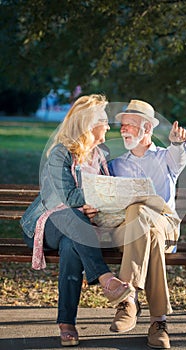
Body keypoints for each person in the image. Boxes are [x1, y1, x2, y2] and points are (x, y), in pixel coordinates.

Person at [20, 94, 134, 347]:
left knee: (73, 243)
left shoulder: (100, 156)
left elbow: (107, 194)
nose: (108, 125)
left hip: (77, 231)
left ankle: (67, 324)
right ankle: (106, 279)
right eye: (103, 120)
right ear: (88, 124)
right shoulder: (60, 154)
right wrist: (99, 198)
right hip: (46, 224)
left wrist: (104, 201)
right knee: (72, 215)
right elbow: (69, 196)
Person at [108, 99, 186, 349]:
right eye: (122, 125)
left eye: (130, 125)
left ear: (147, 129)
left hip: (165, 226)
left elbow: (179, 155)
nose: (123, 130)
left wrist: (177, 142)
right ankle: (159, 322)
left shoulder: (166, 158)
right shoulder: (116, 164)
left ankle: (128, 298)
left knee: (142, 213)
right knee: (142, 222)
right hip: (128, 232)